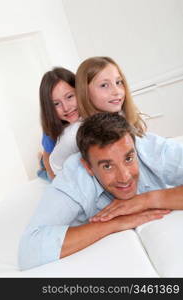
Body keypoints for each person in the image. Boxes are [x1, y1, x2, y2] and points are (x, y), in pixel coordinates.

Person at [18, 112, 183, 271]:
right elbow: (29, 250)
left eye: (128, 159)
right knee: (46, 174)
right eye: (107, 166)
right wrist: (116, 223)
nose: (124, 177)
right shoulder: (74, 177)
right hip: (57, 169)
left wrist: (148, 200)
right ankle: (42, 161)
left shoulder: (148, 147)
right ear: (88, 167)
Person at [49, 56, 146, 174]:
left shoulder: (123, 114)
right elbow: (56, 165)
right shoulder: (73, 134)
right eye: (104, 85)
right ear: (85, 91)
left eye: (118, 82)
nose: (117, 91)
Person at [37, 67, 79, 180]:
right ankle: (39, 160)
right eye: (56, 104)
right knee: (44, 173)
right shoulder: (51, 130)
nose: (66, 108)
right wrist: (54, 179)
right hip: (49, 158)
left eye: (70, 97)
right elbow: (48, 158)